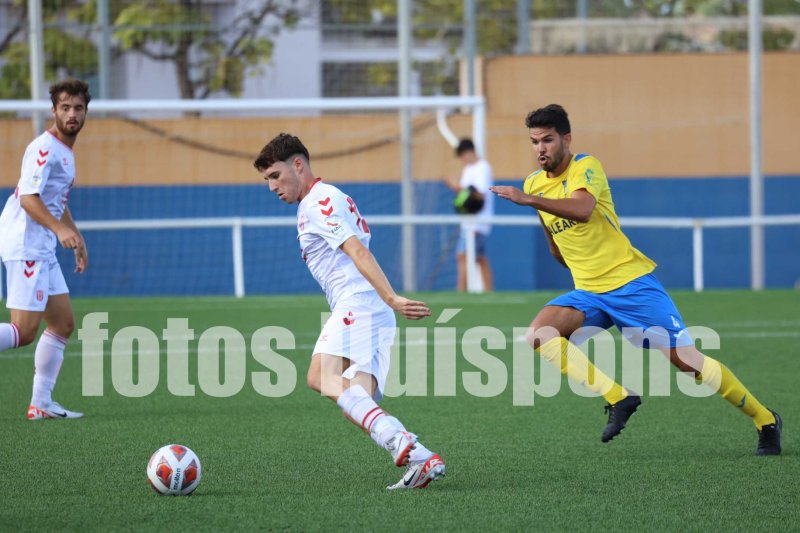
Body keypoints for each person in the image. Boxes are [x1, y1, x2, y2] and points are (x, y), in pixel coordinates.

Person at [491, 104, 781, 455]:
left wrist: (526, 199)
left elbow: (582, 211)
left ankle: (765, 419)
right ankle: (619, 398)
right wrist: (563, 249)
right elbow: (554, 242)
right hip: (589, 292)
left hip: (631, 284)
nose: (540, 148)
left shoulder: (586, 166)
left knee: (686, 361)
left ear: (566, 139)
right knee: (540, 334)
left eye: (548, 140)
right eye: (534, 141)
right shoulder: (534, 182)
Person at [253, 133, 446, 489]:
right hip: (371, 311)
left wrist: (391, 297)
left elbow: (357, 250)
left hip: (360, 303)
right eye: (267, 179)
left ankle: (400, 440)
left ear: (298, 164)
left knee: (319, 376)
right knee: (355, 400)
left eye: (275, 175)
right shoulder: (327, 197)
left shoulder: (318, 201)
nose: (271, 186)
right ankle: (420, 458)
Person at [0, 79, 90, 420]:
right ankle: (40, 403)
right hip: (27, 242)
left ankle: (41, 403)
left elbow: (55, 201)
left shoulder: (65, 152)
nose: (72, 114)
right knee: (23, 332)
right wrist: (59, 230)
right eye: (65, 108)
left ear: (85, 112)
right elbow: (28, 199)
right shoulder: (44, 147)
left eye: (78, 108)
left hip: (42, 245)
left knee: (63, 323)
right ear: (53, 110)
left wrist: (76, 237)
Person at [444, 138, 494, 292]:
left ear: (470, 152)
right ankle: (489, 291)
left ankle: (461, 291)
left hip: (478, 222)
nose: (462, 160)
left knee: (463, 255)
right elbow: (466, 194)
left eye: (463, 156)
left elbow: (479, 195)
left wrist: (456, 186)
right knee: (479, 257)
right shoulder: (468, 169)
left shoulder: (482, 168)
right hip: (469, 221)